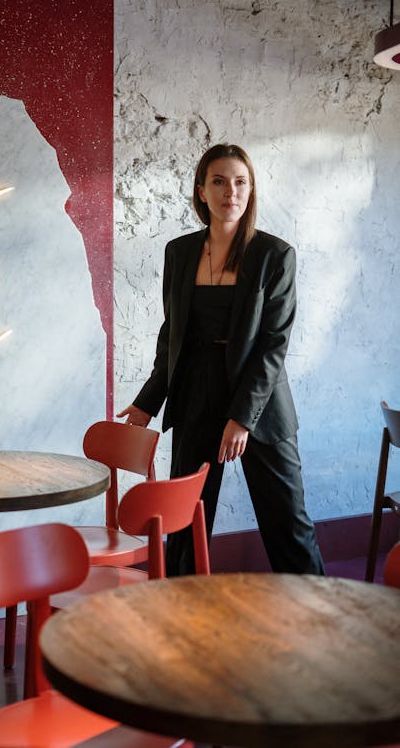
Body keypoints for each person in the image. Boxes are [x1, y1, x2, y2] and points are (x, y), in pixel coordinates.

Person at [117, 143, 325, 577]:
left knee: (288, 524)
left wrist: (242, 418)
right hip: (195, 395)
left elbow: (273, 345)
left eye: (240, 181)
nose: (231, 190)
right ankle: (180, 616)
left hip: (260, 406)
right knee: (183, 522)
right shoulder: (180, 252)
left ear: (250, 192)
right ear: (201, 191)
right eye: (219, 181)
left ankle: (319, 616)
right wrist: (147, 401)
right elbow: (173, 335)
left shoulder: (275, 255)